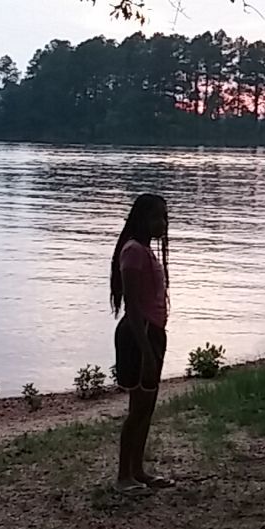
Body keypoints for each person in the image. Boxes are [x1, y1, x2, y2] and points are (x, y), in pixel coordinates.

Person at [111, 194, 173, 495]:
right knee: (138, 409)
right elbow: (133, 308)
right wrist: (146, 351)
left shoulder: (145, 251)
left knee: (147, 408)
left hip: (153, 333)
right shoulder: (133, 252)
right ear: (142, 218)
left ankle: (138, 470)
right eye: (156, 217)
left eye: (164, 217)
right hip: (140, 335)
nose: (162, 223)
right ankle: (124, 475)